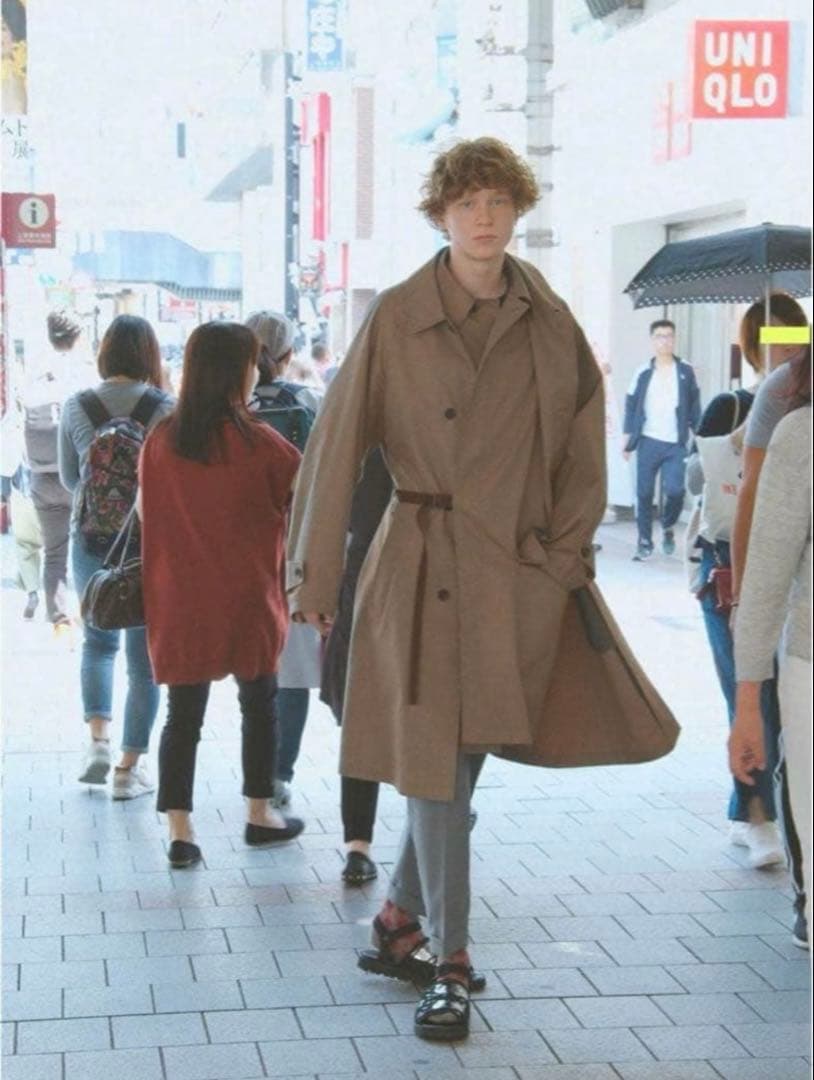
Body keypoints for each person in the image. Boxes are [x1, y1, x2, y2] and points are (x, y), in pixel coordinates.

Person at [287, 137, 609, 1040]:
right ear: (441, 214)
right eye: (467, 202)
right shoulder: (397, 315)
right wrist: (314, 574)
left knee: (457, 767)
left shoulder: (550, 320)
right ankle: (450, 960)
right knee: (438, 765)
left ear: (518, 209)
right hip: (420, 565)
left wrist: (561, 561)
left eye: (499, 200)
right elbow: (336, 444)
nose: (484, 217)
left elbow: (585, 448)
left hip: (512, 575)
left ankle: (397, 918)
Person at [139, 322, 304, 869]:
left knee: (182, 715)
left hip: (180, 599)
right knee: (259, 704)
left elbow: (146, 514)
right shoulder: (263, 444)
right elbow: (302, 504)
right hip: (248, 598)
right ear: (239, 371)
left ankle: (180, 832)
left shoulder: (163, 440)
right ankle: (259, 814)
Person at [685, 297, 806, 869]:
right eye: (771, 337)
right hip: (729, 565)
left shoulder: (796, 399)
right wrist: (734, 443)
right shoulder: (737, 403)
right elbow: (701, 480)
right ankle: (758, 817)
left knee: (779, 702)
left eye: (795, 335)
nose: (783, 347)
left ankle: (755, 810)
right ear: (751, 345)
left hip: (791, 576)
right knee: (749, 690)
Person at [59, 315, 174, 798]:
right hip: (149, 543)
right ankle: (128, 770)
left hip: (90, 538)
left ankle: (98, 743)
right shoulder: (164, 407)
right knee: (144, 660)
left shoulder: (77, 405)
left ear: (105, 352)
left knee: (97, 643)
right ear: (150, 354)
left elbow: (70, 480)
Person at [730, 299, 811, 947]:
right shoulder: (787, 405)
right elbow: (755, 508)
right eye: (771, 337)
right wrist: (747, 699)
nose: (780, 346)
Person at [244, 309, 323, 808]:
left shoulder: (232, 406)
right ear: (290, 354)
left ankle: (256, 769)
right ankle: (279, 773)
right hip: (297, 547)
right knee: (294, 667)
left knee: (253, 666)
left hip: (242, 549)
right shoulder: (310, 402)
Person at [23, 312, 86, 633]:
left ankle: (59, 618)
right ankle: (92, 612)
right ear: (78, 337)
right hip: (78, 477)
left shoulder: (35, 373)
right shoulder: (83, 373)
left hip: (42, 476)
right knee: (88, 547)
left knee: (54, 552)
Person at [623, 320, 701, 561]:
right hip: (647, 441)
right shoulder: (642, 372)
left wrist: (700, 437)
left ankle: (667, 526)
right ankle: (644, 541)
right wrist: (627, 440)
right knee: (644, 493)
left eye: (669, 336)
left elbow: (695, 406)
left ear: (674, 339)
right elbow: (631, 405)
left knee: (676, 491)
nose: (664, 341)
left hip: (675, 443)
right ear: (652, 340)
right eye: (659, 336)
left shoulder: (685, 370)